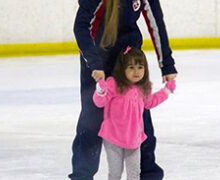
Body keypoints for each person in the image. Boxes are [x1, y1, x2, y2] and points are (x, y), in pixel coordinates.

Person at [69, 0, 177, 179]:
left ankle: (148, 173)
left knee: (139, 116)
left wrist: (167, 63)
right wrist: (94, 63)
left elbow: (155, 21)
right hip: (98, 60)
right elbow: (81, 26)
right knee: (92, 119)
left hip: (129, 59)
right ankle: (82, 175)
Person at [92, 47, 176, 180]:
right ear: (123, 69)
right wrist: (100, 90)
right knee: (115, 173)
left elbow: (150, 102)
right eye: (131, 67)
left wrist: (166, 91)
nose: (136, 71)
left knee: (134, 174)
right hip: (113, 137)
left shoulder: (144, 88)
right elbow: (99, 102)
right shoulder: (113, 84)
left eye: (140, 67)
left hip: (134, 139)